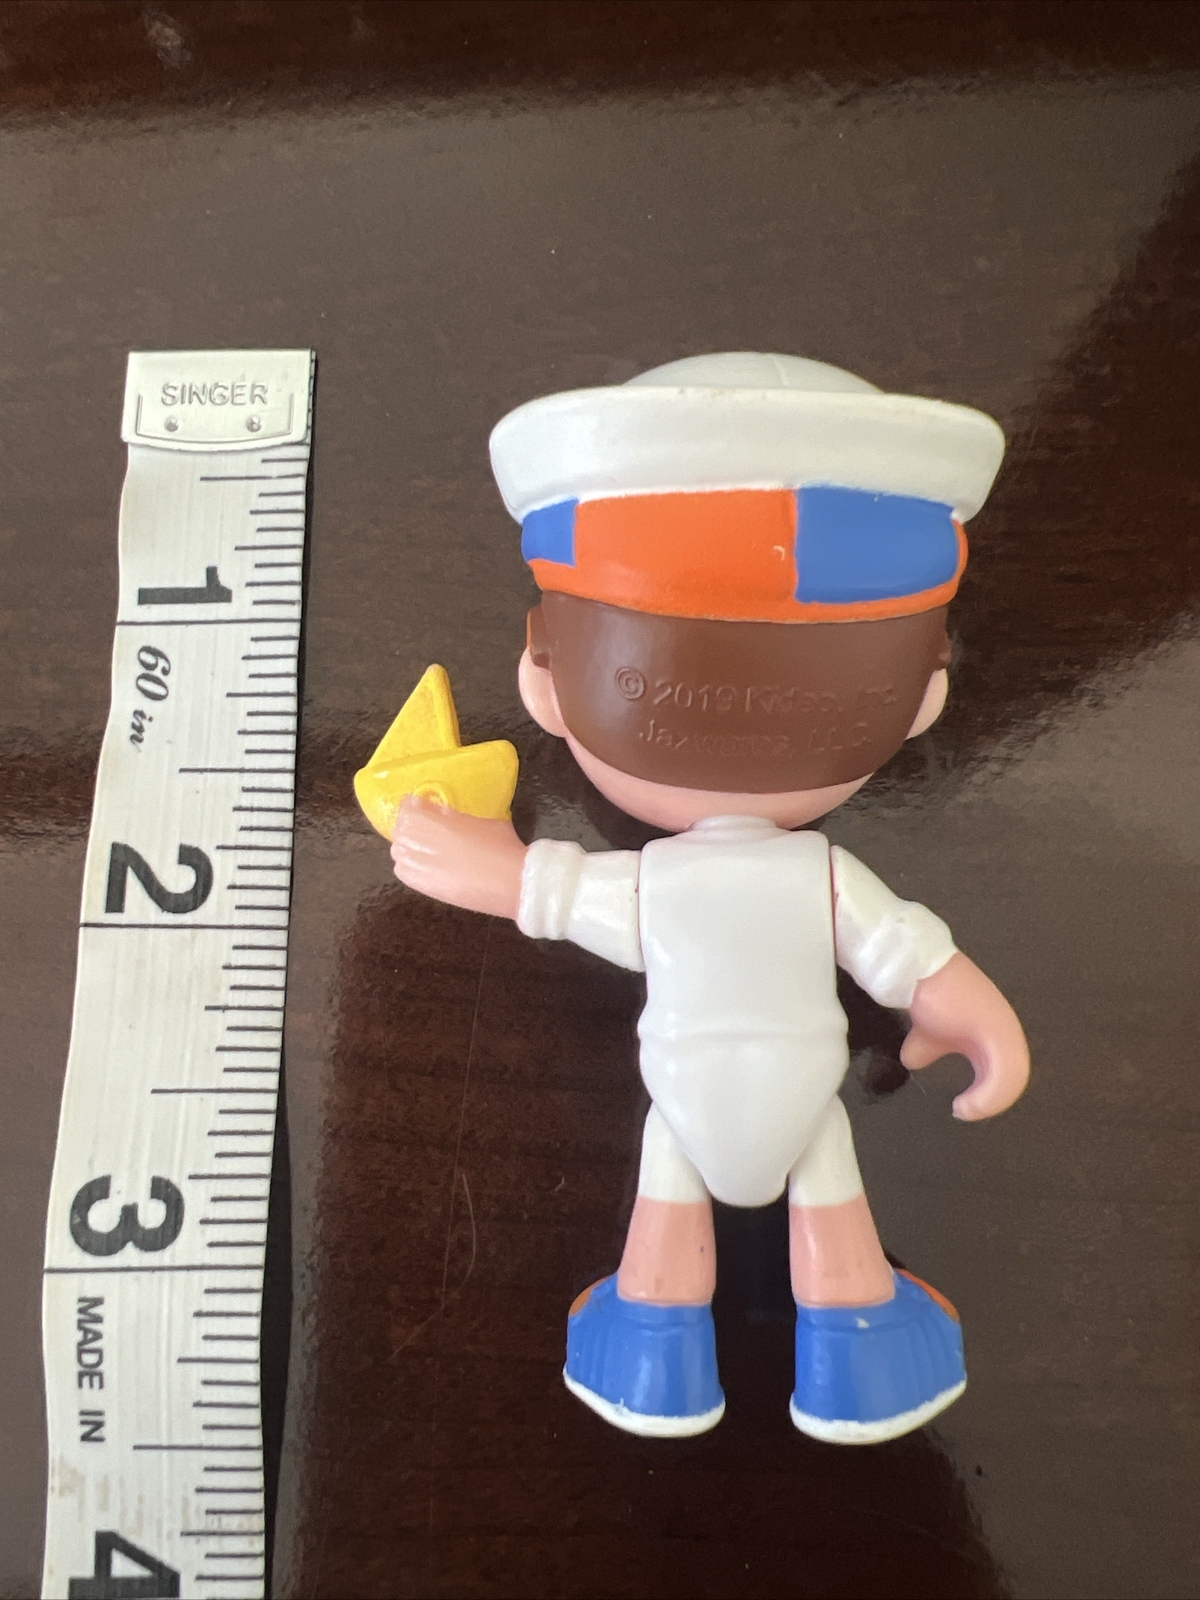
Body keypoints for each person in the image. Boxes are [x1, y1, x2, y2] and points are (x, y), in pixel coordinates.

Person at [390, 352, 1030, 1444]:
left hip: (683, 1085)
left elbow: (560, 893)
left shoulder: (662, 882)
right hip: (806, 1086)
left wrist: (490, 869)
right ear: (926, 693)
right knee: (826, 1181)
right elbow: (905, 953)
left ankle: (654, 1352)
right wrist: (979, 1017)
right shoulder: (822, 876)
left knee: (669, 1191)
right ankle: (862, 1353)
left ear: (545, 683)